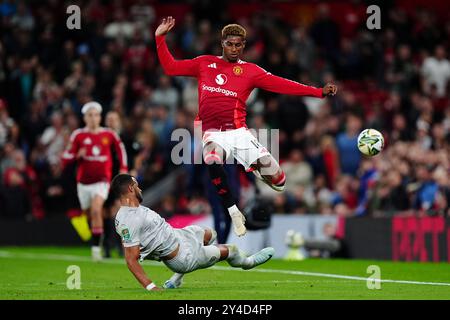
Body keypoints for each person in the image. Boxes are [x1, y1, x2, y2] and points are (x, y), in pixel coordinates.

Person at [155, 17, 337, 237]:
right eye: (229, 44)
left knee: (279, 180)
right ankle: (233, 211)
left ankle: (260, 170)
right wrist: (160, 38)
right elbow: (171, 67)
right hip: (213, 133)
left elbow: (283, 84)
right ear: (222, 43)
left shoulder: (250, 71)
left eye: (238, 45)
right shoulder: (204, 63)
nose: (233, 48)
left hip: (239, 134)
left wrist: (317, 92)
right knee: (211, 160)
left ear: (243, 46)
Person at [111, 173, 275, 290]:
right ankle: (248, 263)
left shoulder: (132, 211)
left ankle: (175, 280)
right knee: (231, 250)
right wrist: (150, 286)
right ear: (131, 189)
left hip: (180, 235)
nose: (141, 190)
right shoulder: (128, 219)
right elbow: (131, 259)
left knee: (211, 233)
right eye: (137, 186)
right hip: (182, 257)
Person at [61, 101, 128, 261]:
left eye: (96, 115)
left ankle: (96, 249)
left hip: (102, 181)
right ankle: (97, 236)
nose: (93, 118)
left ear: (100, 117)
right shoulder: (78, 135)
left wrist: (124, 168)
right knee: (89, 214)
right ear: (85, 118)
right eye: (90, 115)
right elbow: (65, 157)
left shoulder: (109, 134)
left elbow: (121, 149)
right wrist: (77, 155)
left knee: (98, 209)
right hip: (84, 183)